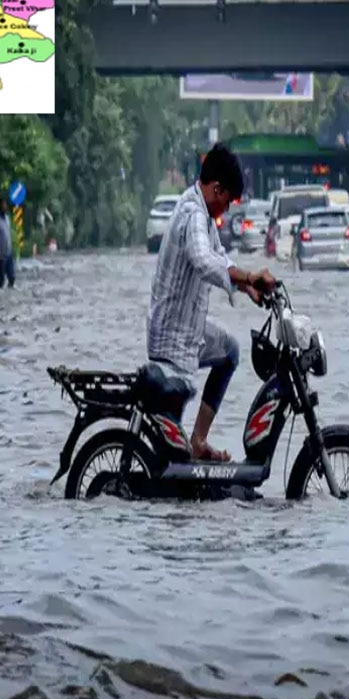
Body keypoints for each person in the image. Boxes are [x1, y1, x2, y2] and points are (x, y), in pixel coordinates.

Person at [148, 143, 277, 462]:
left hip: (187, 330)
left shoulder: (202, 214)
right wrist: (247, 277)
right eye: (228, 200)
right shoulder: (193, 214)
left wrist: (247, 288)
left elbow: (219, 255)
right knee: (172, 462)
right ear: (216, 189)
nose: (227, 208)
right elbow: (204, 261)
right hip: (173, 338)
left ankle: (199, 441)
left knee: (229, 351)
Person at [0, 198, 15, 288]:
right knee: (1, 281)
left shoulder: (8, 218)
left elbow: (8, 234)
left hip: (9, 253)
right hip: (0, 255)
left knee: (12, 277)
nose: (4, 207)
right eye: (2, 205)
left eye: (5, 205)